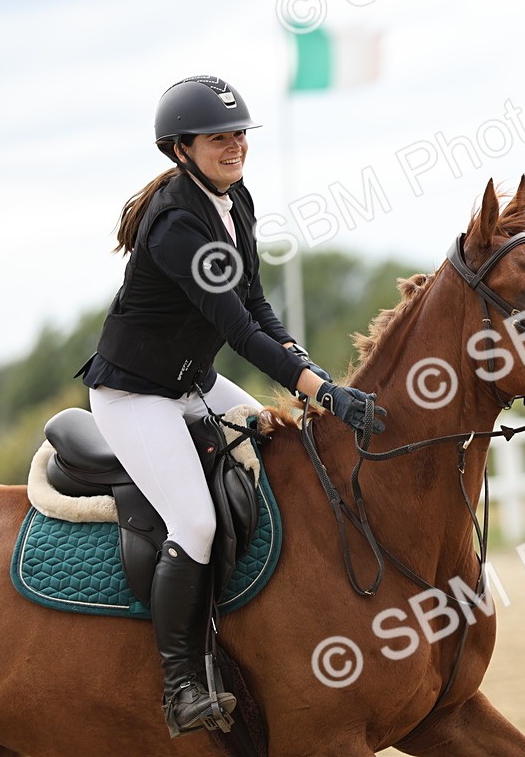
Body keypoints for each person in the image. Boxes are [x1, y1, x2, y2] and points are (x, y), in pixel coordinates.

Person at [75, 75, 388, 737]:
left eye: (240, 134)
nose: (235, 146)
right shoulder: (176, 225)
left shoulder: (231, 197)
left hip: (193, 378)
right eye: (220, 138)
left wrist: (312, 374)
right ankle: (183, 683)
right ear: (181, 148)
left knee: (285, 455)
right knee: (193, 521)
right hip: (136, 395)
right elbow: (242, 333)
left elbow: (256, 307)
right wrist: (322, 393)